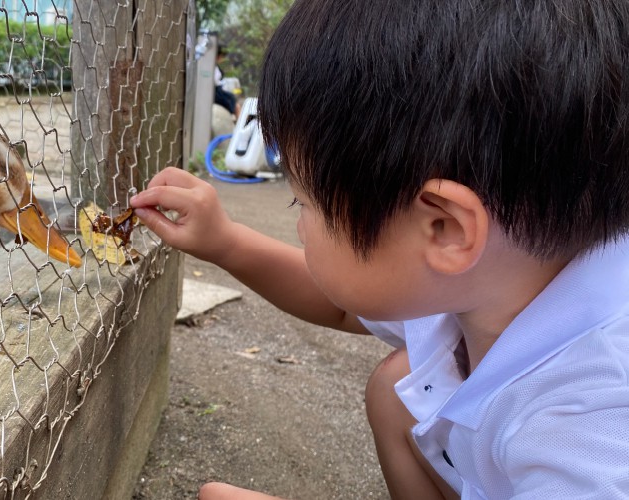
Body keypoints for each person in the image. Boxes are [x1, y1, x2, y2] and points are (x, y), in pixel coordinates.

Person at [130, 1, 629, 499]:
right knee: (402, 390)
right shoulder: (506, 272)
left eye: (302, 201)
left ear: (444, 228)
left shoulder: (587, 432)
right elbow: (342, 304)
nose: (300, 225)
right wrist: (225, 242)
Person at [213, 46, 238, 118]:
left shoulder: (216, 66)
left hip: (219, 89)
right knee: (231, 99)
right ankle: (232, 115)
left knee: (232, 97)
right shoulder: (211, 66)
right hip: (216, 91)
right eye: (222, 56)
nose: (222, 59)